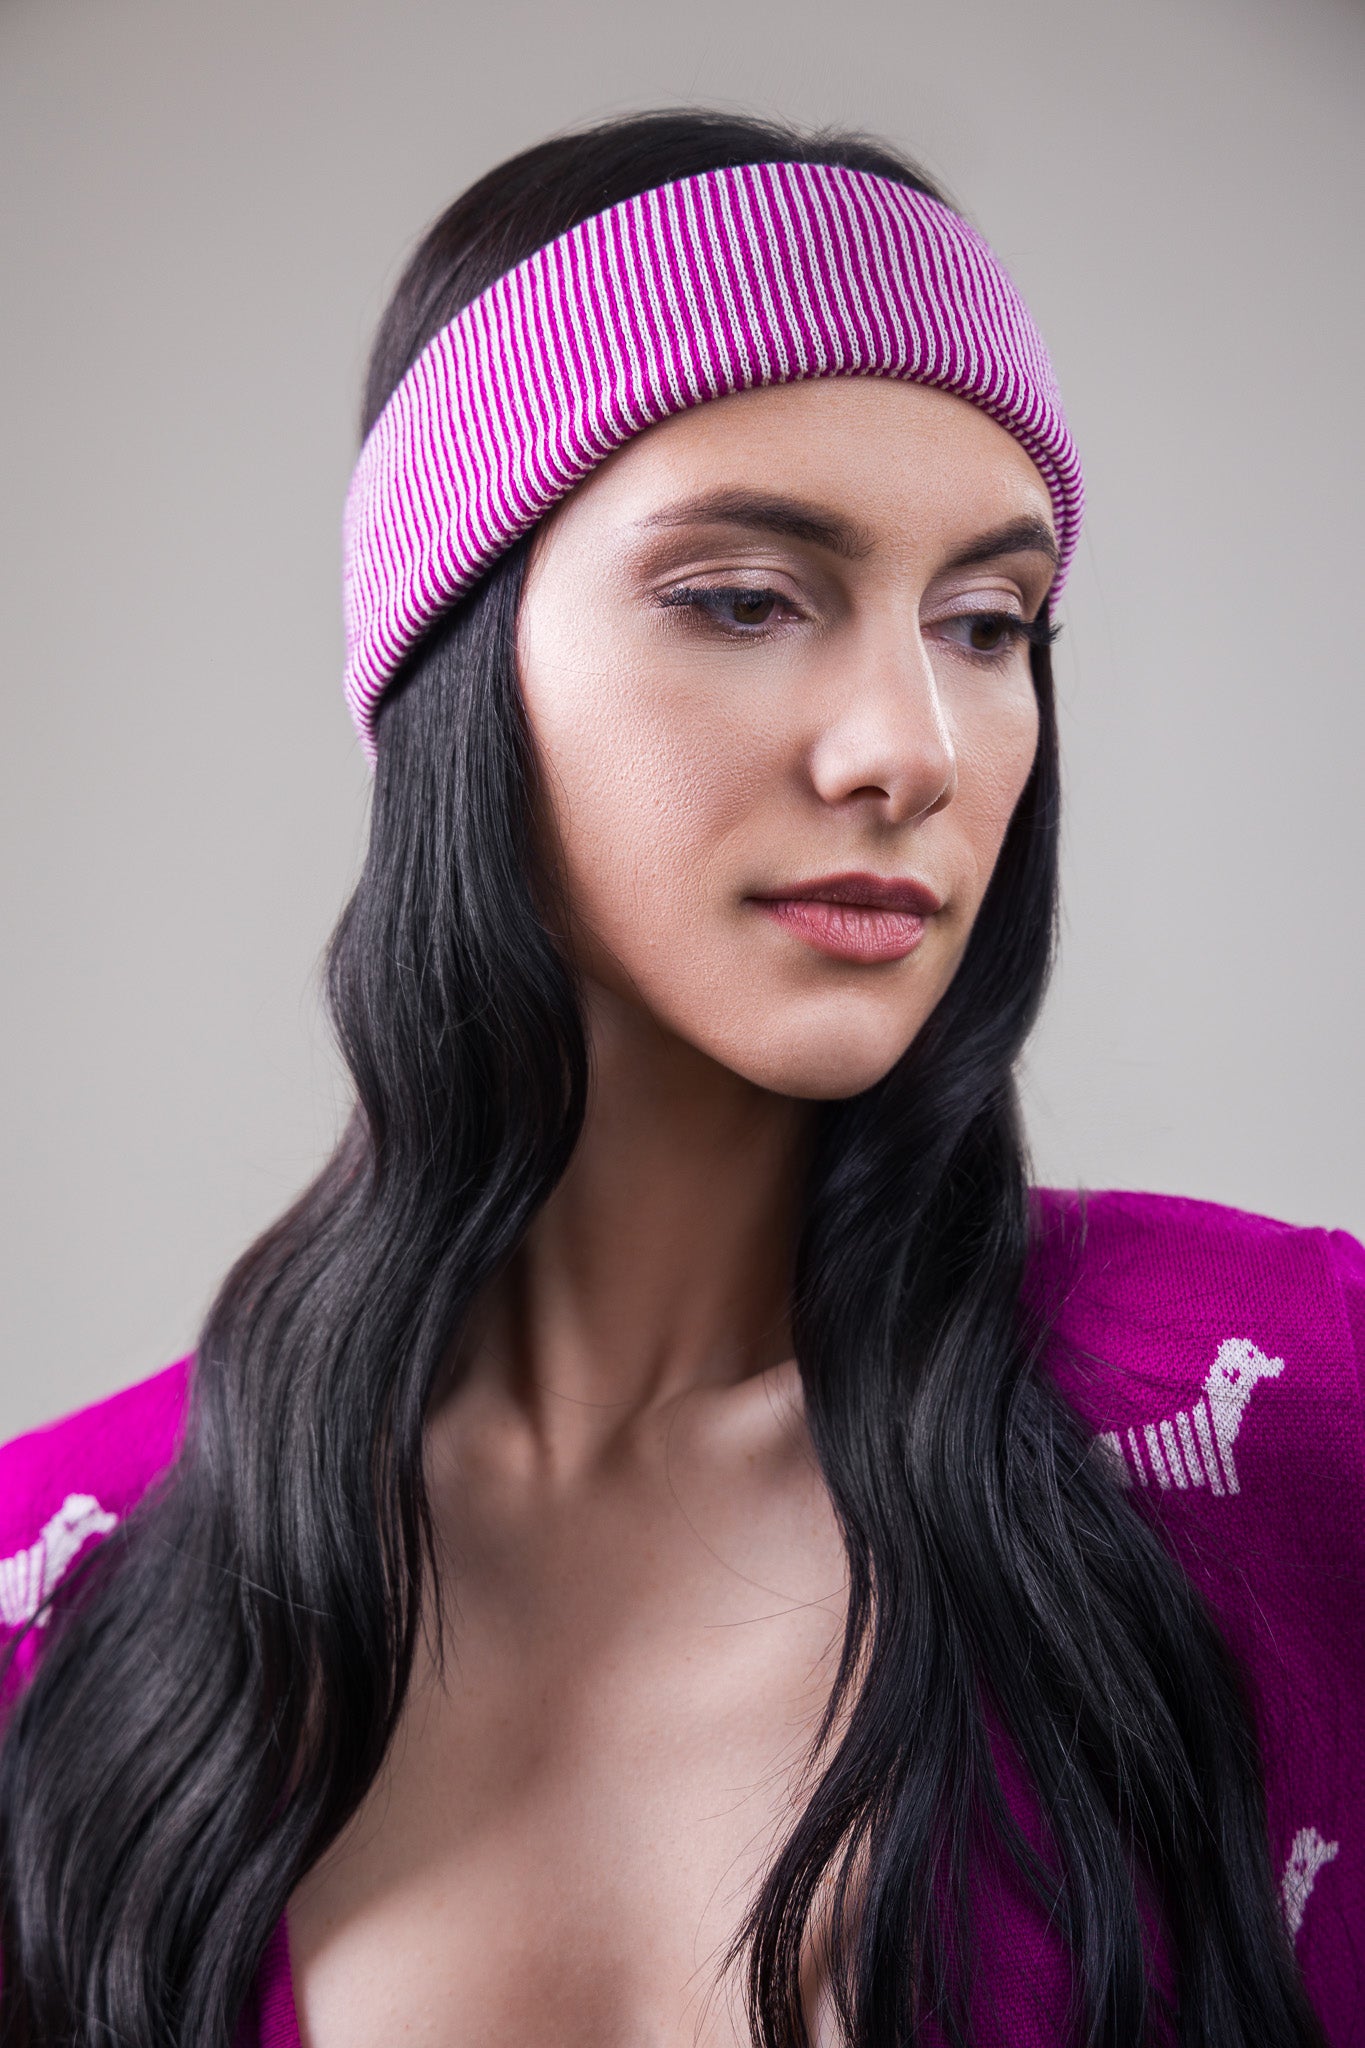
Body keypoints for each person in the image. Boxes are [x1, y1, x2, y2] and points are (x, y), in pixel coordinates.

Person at [0, 108, 1359, 2048]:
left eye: (986, 623)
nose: (910, 747)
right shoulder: (53, 1590)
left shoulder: (1299, 1412)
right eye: (742, 597)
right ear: (452, 659)